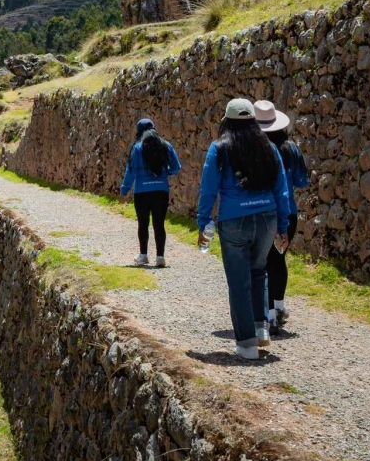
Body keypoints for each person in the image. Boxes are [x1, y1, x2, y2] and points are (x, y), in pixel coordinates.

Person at [196, 98, 291, 361]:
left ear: (226, 121)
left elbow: (208, 188)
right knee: (259, 272)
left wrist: (203, 222)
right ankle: (261, 330)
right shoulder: (269, 147)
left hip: (234, 220)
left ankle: (247, 345)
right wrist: (282, 225)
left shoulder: (220, 148)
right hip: (267, 218)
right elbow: (281, 188)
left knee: (238, 281)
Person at [255, 99, 309, 335]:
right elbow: (303, 180)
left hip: (265, 211)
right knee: (279, 259)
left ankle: (267, 315)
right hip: (289, 211)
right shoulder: (290, 148)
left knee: (264, 262)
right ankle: (279, 308)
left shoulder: (258, 149)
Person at [119, 118, 181, 268]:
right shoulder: (166, 145)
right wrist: (165, 172)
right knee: (159, 224)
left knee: (143, 223)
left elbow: (131, 170)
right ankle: (160, 258)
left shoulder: (137, 148)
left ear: (139, 132)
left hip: (142, 192)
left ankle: (143, 255)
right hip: (161, 190)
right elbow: (176, 167)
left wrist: (124, 190)